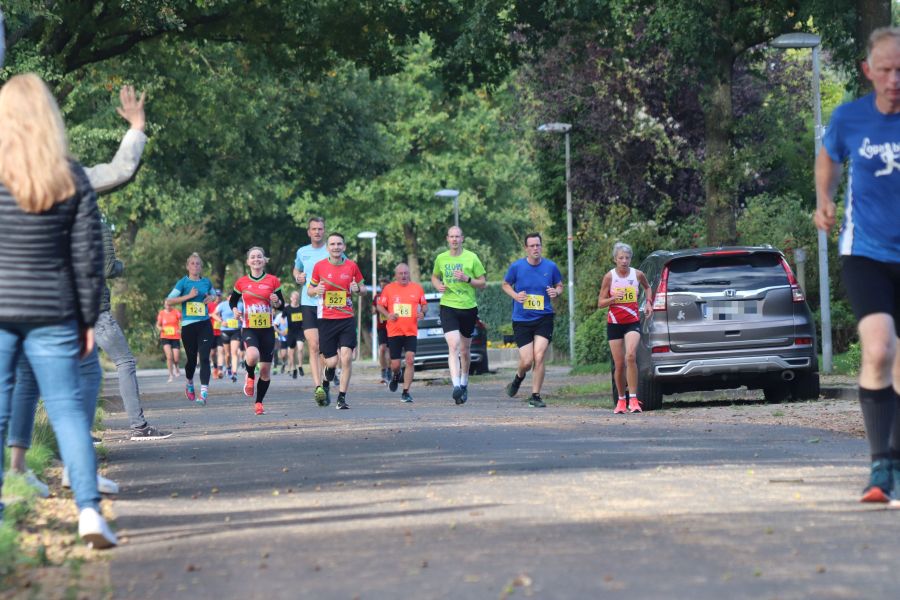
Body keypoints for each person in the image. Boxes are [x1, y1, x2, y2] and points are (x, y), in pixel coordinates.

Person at [6, 84, 170, 503]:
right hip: (55, 305)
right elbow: (117, 173)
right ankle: (80, 483)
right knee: (81, 378)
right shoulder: (63, 175)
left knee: (18, 386)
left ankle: (17, 473)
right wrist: (136, 128)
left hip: (9, 304)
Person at [0, 73, 115, 547]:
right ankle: (88, 512)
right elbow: (88, 257)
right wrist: (87, 318)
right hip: (54, 309)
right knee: (67, 410)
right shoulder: (69, 175)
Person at [815, 27, 900, 503]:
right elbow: (828, 158)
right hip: (865, 251)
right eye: (885, 70)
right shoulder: (849, 118)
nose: (894, 79)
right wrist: (824, 198)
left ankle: (896, 459)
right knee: (880, 348)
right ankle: (880, 468)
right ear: (869, 71)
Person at [501, 233, 564, 408]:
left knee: (539, 355)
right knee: (527, 361)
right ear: (526, 248)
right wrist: (515, 295)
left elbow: (559, 285)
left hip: (544, 317)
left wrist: (556, 292)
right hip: (521, 319)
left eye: (538, 245)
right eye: (532, 246)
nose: (535, 248)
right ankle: (518, 377)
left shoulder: (551, 266)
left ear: (541, 246)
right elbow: (505, 284)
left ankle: (535, 396)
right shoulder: (517, 267)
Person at [430, 226, 487, 404]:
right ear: (447, 239)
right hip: (448, 306)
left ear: (462, 238)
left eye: (457, 236)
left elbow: (483, 283)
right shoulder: (441, 258)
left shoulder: (472, 258)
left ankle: (464, 383)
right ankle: (455, 386)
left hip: (468, 307)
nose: (454, 239)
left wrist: (467, 279)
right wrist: (438, 285)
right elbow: (434, 276)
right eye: (451, 236)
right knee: (453, 346)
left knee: (465, 350)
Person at [308, 233, 365, 410]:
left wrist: (358, 289)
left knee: (347, 357)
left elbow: (363, 289)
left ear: (344, 247)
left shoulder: (352, 266)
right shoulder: (319, 266)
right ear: (328, 248)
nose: (336, 247)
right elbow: (309, 290)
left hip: (346, 318)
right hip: (326, 319)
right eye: (332, 244)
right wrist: (316, 290)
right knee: (331, 362)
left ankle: (341, 397)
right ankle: (326, 381)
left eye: (339, 244)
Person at [597, 242, 652, 414]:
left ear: (631, 259)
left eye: (627, 258)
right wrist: (613, 299)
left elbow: (647, 287)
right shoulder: (609, 277)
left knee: (631, 356)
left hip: (632, 322)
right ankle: (621, 400)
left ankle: (634, 399)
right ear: (615, 259)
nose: (624, 261)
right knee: (619, 364)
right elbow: (600, 303)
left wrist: (648, 302)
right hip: (614, 324)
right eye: (621, 258)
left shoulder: (638, 274)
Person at [230, 247, 284, 415]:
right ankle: (250, 375)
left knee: (265, 371)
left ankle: (259, 403)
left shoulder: (273, 281)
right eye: (252, 257)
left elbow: (281, 305)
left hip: (267, 329)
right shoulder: (241, 282)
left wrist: (276, 301)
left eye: (259, 256)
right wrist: (235, 310)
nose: (256, 259)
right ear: (248, 262)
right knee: (252, 356)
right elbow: (233, 301)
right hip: (249, 327)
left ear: (264, 260)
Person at [166, 253, 216, 405]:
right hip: (188, 327)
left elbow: (214, 295)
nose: (195, 266)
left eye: (198, 263)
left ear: (201, 267)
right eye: (192, 263)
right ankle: (189, 382)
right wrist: (188, 296)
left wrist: (211, 298)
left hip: (204, 324)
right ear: (187, 266)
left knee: (205, 357)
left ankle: (204, 392)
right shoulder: (183, 283)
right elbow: (169, 300)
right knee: (192, 360)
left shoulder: (206, 282)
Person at [293, 217, 332, 405]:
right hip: (308, 303)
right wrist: (298, 277)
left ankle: (325, 382)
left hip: (328, 304)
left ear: (324, 231)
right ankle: (318, 388)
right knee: (314, 346)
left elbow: (347, 270)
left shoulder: (332, 249)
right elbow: (296, 270)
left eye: (320, 229)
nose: (317, 232)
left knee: (325, 349)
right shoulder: (302, 251)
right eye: (314, 229)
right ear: (309, 232)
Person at [377, 264, 427, 402]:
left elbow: (424, 304)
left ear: (409, 274)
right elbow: (380, 305)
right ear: (396, 275)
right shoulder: (389, 289)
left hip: (411, 331)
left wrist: (423, 312)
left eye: (406, 273)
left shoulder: (417, 288)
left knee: (410, 360)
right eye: (401, 273)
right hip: (394, 332)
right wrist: (388, 314)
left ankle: (406, 392)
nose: (403, 276)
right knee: (395, 365)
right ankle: (395, 375)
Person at [216, 294, 242, 382]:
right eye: (230, 297)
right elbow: (214, 314)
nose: (232, 298)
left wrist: (242, 319)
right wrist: (221, 321)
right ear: (227, 298)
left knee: (234, 352)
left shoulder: (241, 304)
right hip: (225, 330)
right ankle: (228, 367)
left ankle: (234, 373)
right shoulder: (222, 304)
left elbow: (245, 315)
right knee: (227, 354)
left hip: (236, 331)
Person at [156, 302, 182, 382]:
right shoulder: (161, 313)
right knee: (169, 356)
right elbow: (158, 325)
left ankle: (176, 366)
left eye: (169, 304)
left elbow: (182, 320)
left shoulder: (176, 312)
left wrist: (180, 329)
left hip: (175, 337)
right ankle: (170, 375)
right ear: (164, 305)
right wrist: (160, 328)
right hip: (165, 336)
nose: (168, 306)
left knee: (176, 357)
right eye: (166, 305)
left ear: (172, 305)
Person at [282, 291, 305, 379]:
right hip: (291, 332)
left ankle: (300, 366)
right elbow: (282, 317)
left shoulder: (301, 308)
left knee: (300, 348)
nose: (295, 300)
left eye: (297, 298)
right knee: (291, 353)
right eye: (294, 298)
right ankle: (294, 368)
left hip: (300, 331)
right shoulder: (287, 308)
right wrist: (283, 322)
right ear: (291, 298)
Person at [373, 277, 391, 383]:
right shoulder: (377, 297)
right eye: (381, 286)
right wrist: (378, 308)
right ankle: (383, 370)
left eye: (385, 286)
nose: (383, 288)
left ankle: (389, 370)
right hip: (381, 327)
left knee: (389, 350)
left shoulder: (392, 296)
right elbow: (373, 311)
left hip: (392, 326)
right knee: (382, 348)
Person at [208, 289, 225, 379]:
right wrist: (211, 315)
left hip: (221, 331)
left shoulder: (223, 305)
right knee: (212, 353)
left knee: (220, 351)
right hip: (211, 332)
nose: (218, 297)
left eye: (219, 296)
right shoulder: (209, 305)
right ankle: (215, 367)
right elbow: (204, 316)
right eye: (216, 295)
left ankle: (220, 370)